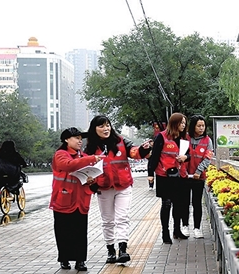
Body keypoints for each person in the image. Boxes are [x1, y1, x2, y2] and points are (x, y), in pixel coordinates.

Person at [83, 115, 152, 264]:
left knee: (122, 217)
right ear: (94, 129)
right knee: (107, 221)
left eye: (107, 125)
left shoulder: (121, 141)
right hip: (103, 187)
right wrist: (90, 181)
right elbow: (85, 168)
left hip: (123, 185)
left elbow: (134, 152)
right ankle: (110, 250)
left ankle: (123, 249)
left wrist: (143, 149)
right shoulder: (90, 148)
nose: (106, 128)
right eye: (101, 126)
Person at [50, 128, 103, 271]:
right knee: (63, 231)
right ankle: (64, 259)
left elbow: (90, 177)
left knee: (80, 231)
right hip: (63, 199)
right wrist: (91, 159)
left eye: (81, 138)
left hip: (80, 200)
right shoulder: (61, 154)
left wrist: (92, 180)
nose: (80, 141)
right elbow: (68, 165)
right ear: (66, 140)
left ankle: (80, 260)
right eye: (76, 138)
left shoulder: (83, 156)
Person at [147, 113, 189, 244]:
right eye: (181, 123)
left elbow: (189, 155)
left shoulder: (183, 138)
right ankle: (165, 232)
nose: (183, 125)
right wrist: (150, 174)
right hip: (164, 176)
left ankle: (177, 230)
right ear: (174, 123)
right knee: (166, 204)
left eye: (184, 123)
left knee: (178, 204)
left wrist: (185, 157)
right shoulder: (162, 137)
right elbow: (154, 157)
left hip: (179, 175)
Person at [181, 115, 213, 239]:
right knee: (184, 202)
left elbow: (208, 158)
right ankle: (185, 226)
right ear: (193, 126)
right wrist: (183, 171)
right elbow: (180, 155)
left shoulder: (207, 141)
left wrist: (199, 171)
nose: (201, 128)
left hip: (198, 177)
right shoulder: (185, 138)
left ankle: (197, 228)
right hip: (185, 176)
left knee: (197, 203)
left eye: (203, 126)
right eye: (198, 126)